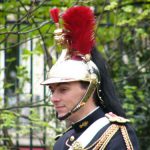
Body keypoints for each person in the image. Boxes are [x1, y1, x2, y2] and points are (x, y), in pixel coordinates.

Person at [41, 6, 139, 150]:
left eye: (63, 90)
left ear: (90, 89)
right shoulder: (63, 141)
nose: (54, 98)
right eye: (52, 90)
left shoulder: (116, 135)